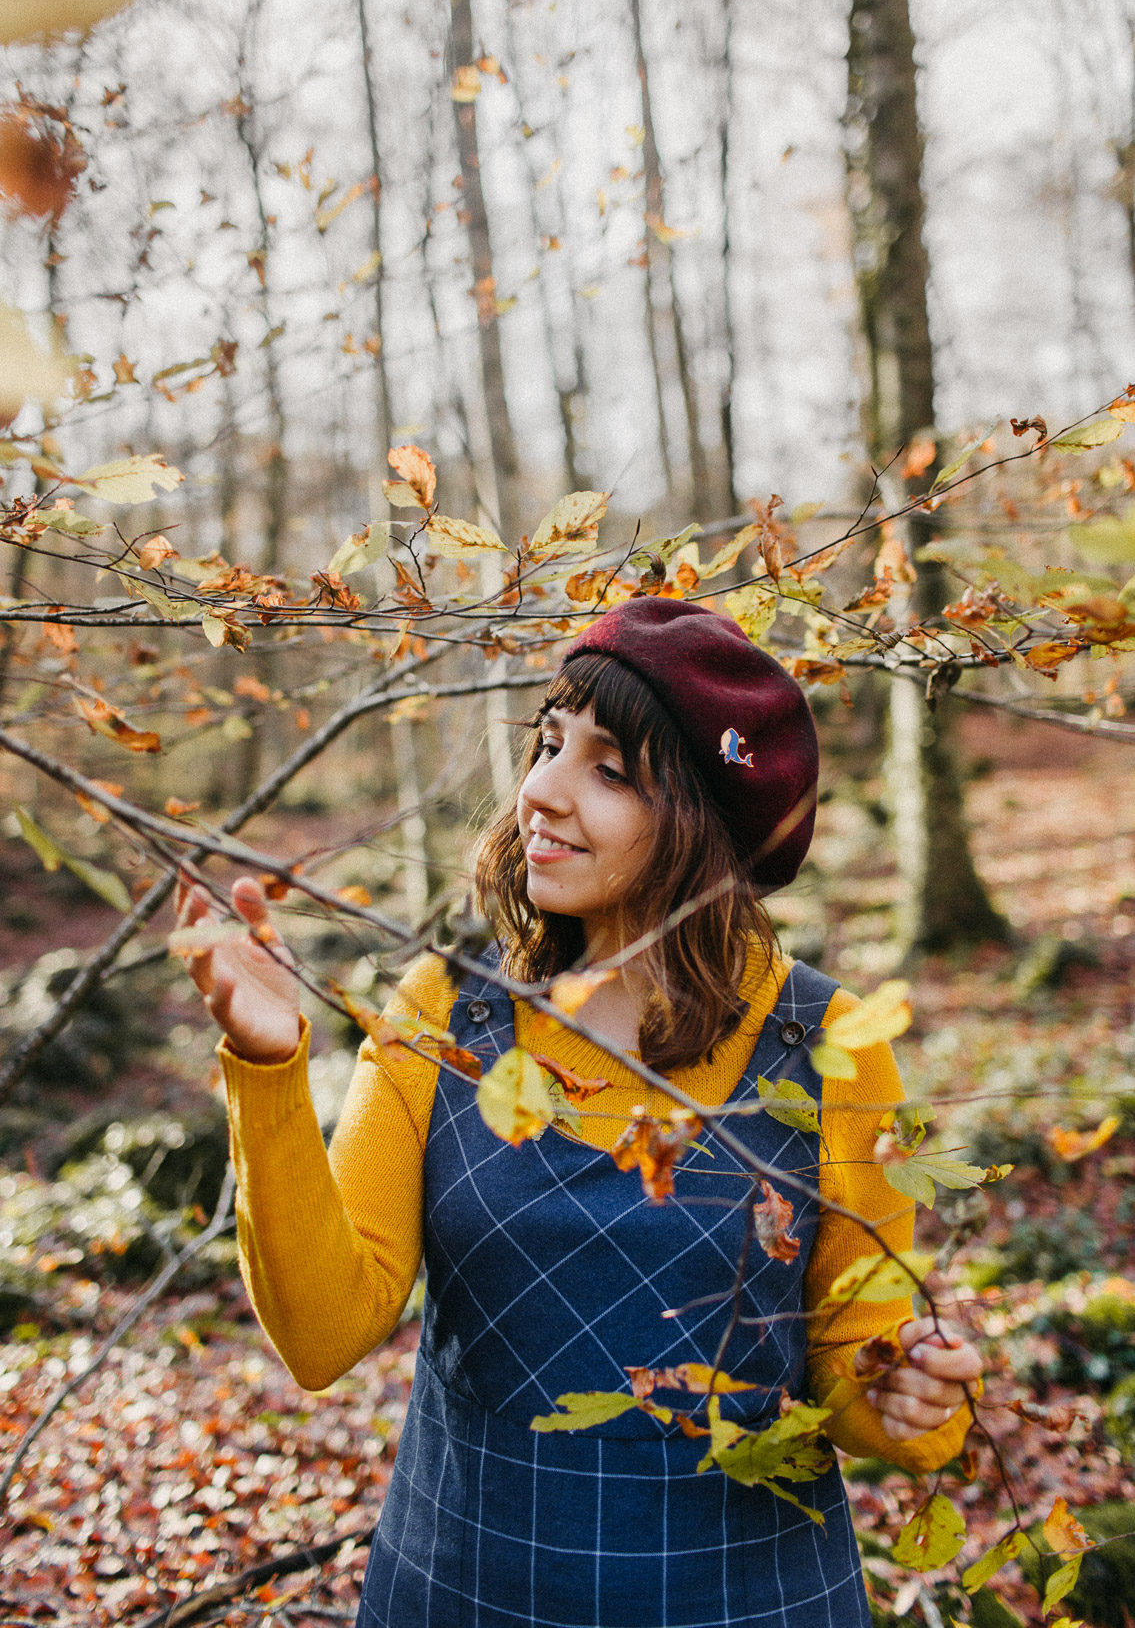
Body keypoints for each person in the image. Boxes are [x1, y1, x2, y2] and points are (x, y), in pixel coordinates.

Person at [177, 598, 981, 1627]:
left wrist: (912, 1400)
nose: (541, 792)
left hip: (746, 1599)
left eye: (607, 768)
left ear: (700, 819)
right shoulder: (445, 1009)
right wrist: (268, 1062)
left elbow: (848, 1351)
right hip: (463, 1587)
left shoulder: (833, 1044)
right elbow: (323, 1332)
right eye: (547, 742)